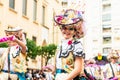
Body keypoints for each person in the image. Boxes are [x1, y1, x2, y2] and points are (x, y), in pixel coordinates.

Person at [54, 9, 85, 80]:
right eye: (64, 28)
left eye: (70, 29)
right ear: (61, 29)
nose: (67, 31)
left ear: (75, 31)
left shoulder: (77, 45)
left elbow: (78, 69)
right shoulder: (60, 44)